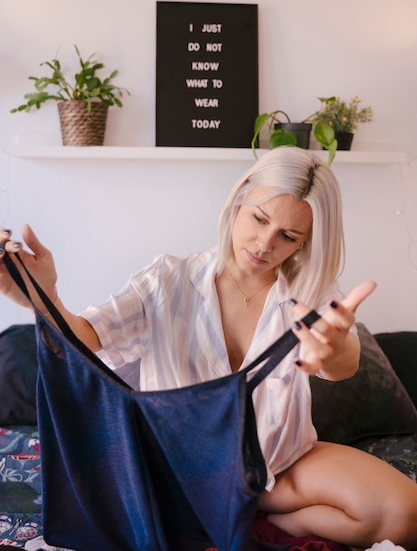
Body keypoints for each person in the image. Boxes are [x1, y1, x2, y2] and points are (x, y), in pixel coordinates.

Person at [1, 146, 416, 549]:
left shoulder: (309, 295)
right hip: (182, 471)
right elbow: (85, 337)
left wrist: (334, 349)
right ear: (239, 200)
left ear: (304, 243)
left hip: (280, 467)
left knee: (406, 515)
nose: (265, 244)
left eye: (288, 236)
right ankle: (235, 513)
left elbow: (341, 365)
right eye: (259, 218)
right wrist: (43, 296)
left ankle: (269, 520)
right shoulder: (166, 280)